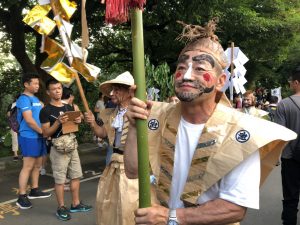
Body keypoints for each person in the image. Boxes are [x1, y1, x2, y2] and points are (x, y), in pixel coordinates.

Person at [123, 19, 296, 225]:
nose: (186, 75)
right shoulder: (156, 115)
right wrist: (134, 127)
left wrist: (171, 217)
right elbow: (133, 171)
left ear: (221, 81)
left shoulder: (242, 131)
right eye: (181, 67)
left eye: (199, 68)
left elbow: (233, 209)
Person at [84, 71, 139, 225]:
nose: (112, 93)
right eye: (112, 90)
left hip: (132, 165)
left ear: (130, 92)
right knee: (111, 201)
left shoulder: (139, 111)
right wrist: (93, 123)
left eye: (117, 89)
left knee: (130, 203)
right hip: (112, 160)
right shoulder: (111, 114)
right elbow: (103, 134)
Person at [39, 79, 92, 221]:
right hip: (58, 147)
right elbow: (46, 133)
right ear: (48, 92)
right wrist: (58, 122)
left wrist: (78, 121)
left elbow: (74, 125)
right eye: (54, 89)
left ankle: (75, 204)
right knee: (60, 180)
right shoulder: (45, 111)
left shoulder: (69, 107)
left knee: (76, 176)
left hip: (72, 144)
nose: (57, 91)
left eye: (59, 88)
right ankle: (61, 207)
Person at [15, 73, 51, 209]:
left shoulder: (35, 98)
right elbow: (29, 121)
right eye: (35, 83)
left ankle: (34, 190)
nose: (37, 86)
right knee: (28, 166)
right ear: (26, 84)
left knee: (37, 165)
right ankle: (21, 196)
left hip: (39, 136)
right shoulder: (23, 99)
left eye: (38, 83)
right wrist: (44, 132)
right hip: (29, 136)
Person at [274, 67, 300, 225]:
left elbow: (280, 135)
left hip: (290, 158)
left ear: (297, 83)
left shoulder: (284, 104)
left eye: (291, 82)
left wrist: (275, 157)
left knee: (291, 197)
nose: (290, 84)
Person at [6, 94, 20, 161]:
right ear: (17, 98)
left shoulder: (25, 105)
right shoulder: (12, 105)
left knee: (21, 139)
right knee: (15, 139)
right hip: (14, 125)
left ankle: (22, 155)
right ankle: (15, 154)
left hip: (22, 125)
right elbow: (8, 115)